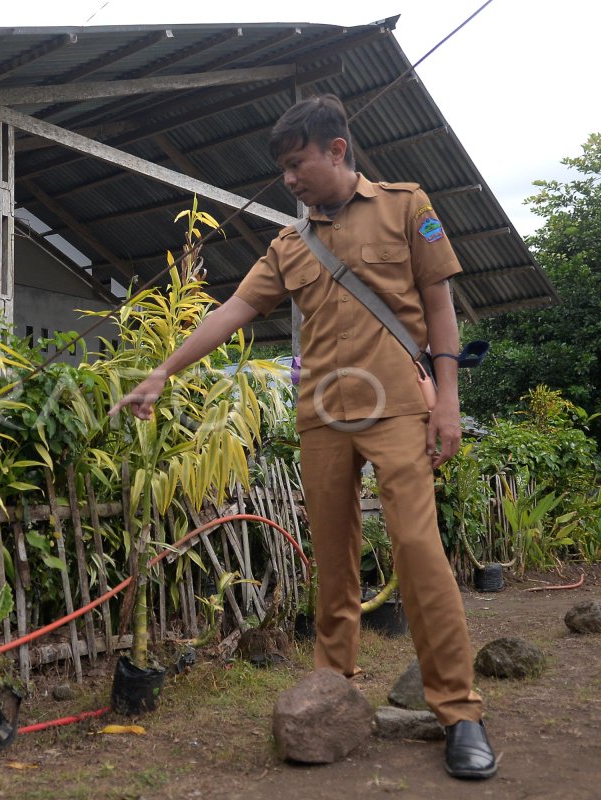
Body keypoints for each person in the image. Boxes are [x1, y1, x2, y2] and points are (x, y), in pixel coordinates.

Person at [110, 94, 496, 780]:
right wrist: (163, 371)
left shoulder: (407, 206)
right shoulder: (290, 244)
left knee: (416, 546)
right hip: (321, 412)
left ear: (336, 150)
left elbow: (440, 307)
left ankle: (459, 710)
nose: (289, 179)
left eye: (297, 164)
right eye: (284, 169)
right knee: (332, 559)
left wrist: (449, 404)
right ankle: (333, 692)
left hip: (399, 407)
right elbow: (233, 308)